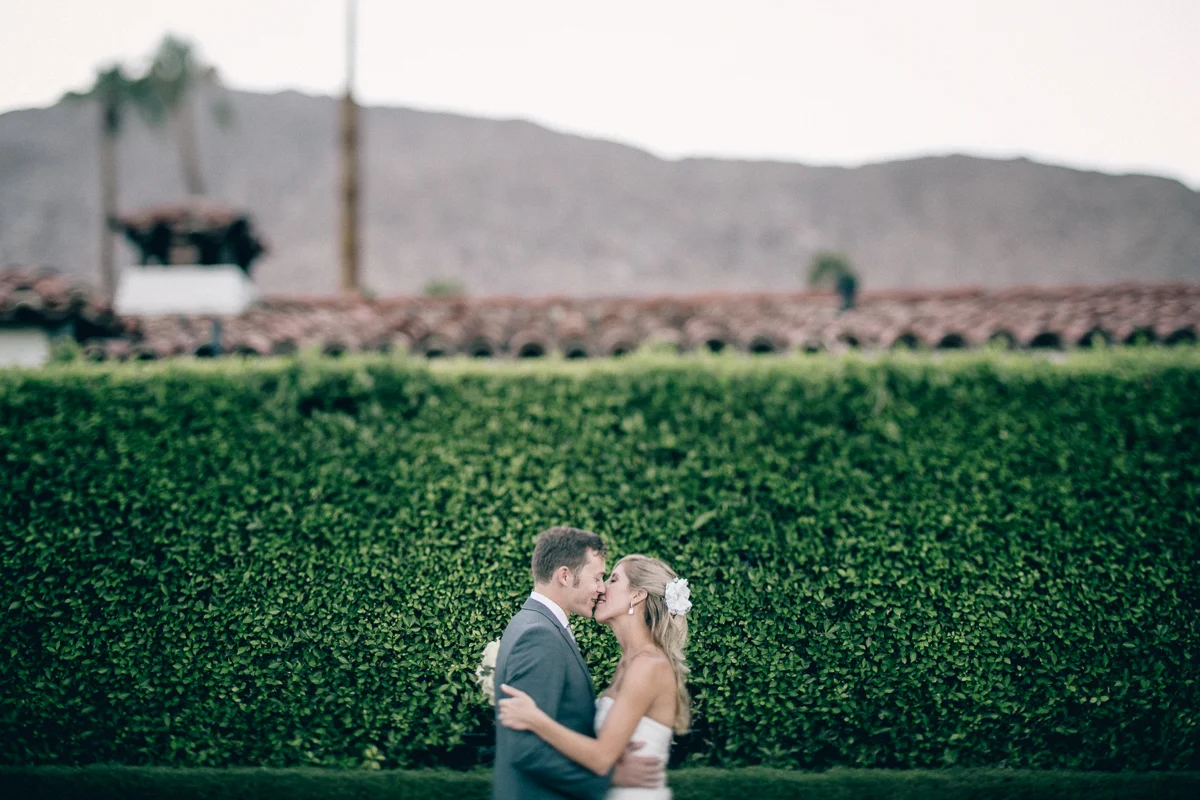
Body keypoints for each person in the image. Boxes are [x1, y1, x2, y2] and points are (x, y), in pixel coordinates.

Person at [498, 550, 692, 800]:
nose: (601, 589)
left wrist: (535, 718)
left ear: (637, 595)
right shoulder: (627, 663)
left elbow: (600, 759)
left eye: (613, 579)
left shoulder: (649, 665)